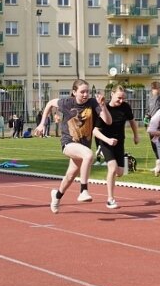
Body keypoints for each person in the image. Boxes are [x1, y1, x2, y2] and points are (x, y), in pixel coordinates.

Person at [35, 79, 111, 214]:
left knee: (70, 176)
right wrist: (42, 124)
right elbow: (49, 104)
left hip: (82, 145)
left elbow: (108, 121)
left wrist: (103, 106)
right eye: (82, 92)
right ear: (74, 92)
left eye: (87, 91)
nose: (85, 94)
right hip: (68, 143)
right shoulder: (67, 103)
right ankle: (83, 190)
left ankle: (56, 196)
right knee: (89, 154)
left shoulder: (93, 103)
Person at [92, 85, 140, 209]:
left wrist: (136, 135)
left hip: (120, 141)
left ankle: (103, 154)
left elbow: (132, 121)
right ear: (112, 94)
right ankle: (110, 199)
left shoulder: (125, 107)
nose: (121, 101)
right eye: (119, 98)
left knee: (119, 173)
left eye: (123, 98)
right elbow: (95, 131)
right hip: (105, 141)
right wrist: (107, 140)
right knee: (112, 168)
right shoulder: (103, 108)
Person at [146, 81, 160, 175]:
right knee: (153, 144)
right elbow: (149, 111)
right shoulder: (150, 99)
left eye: (156, 89)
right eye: (153, 89)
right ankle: (158, 163)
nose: (155, 91)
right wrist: (147, 117)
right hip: (152, 124)